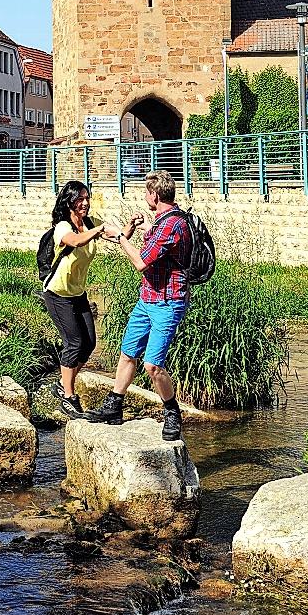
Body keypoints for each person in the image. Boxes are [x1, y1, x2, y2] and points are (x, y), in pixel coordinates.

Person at [85, 169, 189, 440]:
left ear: (154, 195)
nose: (145, 196)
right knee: (128, 353)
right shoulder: (162, 221)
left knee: (153, 366)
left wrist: (121, 236)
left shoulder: (173, 224)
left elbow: (142, 261)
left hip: (168, 302)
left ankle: (172, 412)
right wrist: (140, 228)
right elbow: (156, 244)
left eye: (146, 192)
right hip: (147, 299)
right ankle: (115, 406)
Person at [43, 179, 116, 419]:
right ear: (69, 201)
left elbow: (117, 236)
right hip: (58, 294)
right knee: (73, 343)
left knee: (89, 344)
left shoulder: (89, 223)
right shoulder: (63, 227)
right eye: (80, 199)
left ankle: (64, 385)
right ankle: (68, 396)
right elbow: (74, 241)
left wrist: (131, 227)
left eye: (87, 198)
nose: (85, 203)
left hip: (78, 293)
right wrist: (97, 230)